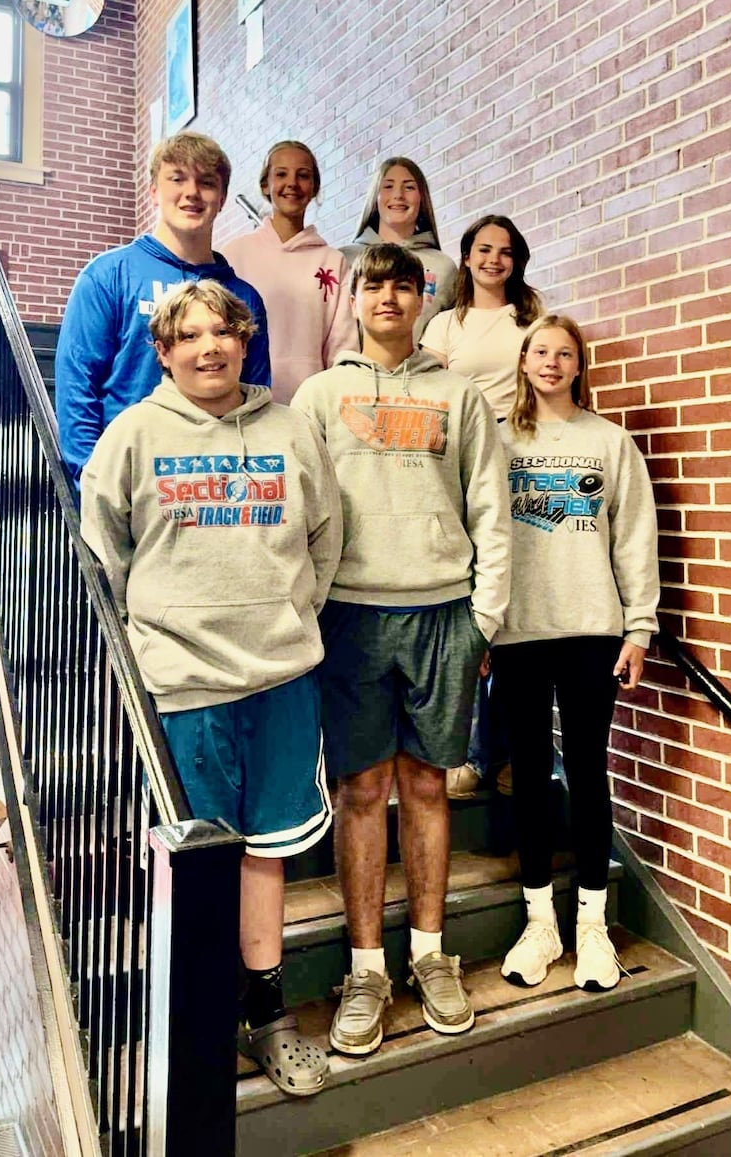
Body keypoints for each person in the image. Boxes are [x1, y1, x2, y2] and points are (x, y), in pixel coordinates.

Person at [79, 280, 342, 1097]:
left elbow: (327, 533)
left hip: (280, 677)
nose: (207, 347)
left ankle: (265, 1012)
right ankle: (191, 1019)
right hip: (183, 683)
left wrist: (289, 612)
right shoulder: (132, 434)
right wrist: (153, 639)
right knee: (194, 866)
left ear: (244, 341)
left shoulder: (290, 428)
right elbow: (100, 560)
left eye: (222, 332)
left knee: (265, 855)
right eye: (188, 336)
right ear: (163, 351)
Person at [292, 243, 511, 1057]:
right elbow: (304, 512)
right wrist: (310, 613)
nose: (387, 296)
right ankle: (365, 969)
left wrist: (485, 618)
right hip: (350, 617)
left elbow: (491, 504)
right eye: (372, 283)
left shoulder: (457, 395)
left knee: (425, 785)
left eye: (403, 283)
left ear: (425, 297)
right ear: (351, 297)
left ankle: (429, 953)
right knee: (359, 791)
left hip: (442, 614)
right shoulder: (319, 394)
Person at [491, 315, 659, 992]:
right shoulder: (497, 442)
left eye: (565, 353)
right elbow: (483, 539)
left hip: (594, 629)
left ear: (579, 364)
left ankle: (593, 923)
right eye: (540, 351)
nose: (552, 362)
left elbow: (635, 538)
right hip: (518, 633)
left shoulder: (610, 443)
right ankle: (540, 922)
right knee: (528, 777)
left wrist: (640, 628)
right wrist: (482, 629)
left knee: (588, 772)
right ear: (524, 361)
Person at [55, 131, 270, 482]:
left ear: (223, 197)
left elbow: (256, 397)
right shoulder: (108, 276)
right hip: (128, 478)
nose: (191, 192)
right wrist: (92, 481)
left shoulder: (244, 298)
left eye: (206, 181)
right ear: (154, 190)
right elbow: (77, 387)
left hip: (217, 487)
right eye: (177, 178)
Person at [423, 214, 543, 799]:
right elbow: (430, 391)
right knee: (473, 610)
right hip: (461, 457)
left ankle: (509, 755)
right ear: (466, 257)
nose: (495, 259)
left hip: (519, 454)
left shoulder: (532, 319)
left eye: (506, 251)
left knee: (515, 613)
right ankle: (472, 754)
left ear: (517, 260)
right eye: (483, 249)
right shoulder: (447, 323)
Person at [222, 140, 358, 404]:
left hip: (310, 409)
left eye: (303, 175)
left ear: (314, 187)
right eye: (281, 174)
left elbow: (343, 347)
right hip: (243, 407)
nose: (292, 183)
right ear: (266, 185)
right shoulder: (233, 256)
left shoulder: (332, 261)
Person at [340, 157, 456, 340]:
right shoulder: (344, 259)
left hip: (419, 368)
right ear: (375, 197)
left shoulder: (443, 267)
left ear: (422, 198)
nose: (398, 195)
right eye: (388, 186)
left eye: (409, 187)